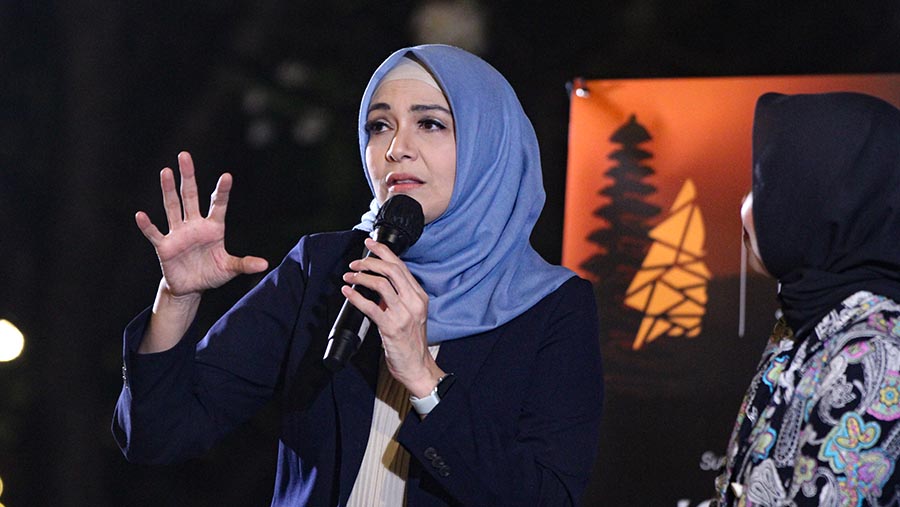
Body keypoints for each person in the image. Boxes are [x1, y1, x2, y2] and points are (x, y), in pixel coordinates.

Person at [113, 44, 604, 506]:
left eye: (430, 124)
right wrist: (176, 301)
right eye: (378, 126)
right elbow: (158, 436)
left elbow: (547, 496)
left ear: (489, 145)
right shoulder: (322, 268)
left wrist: (424, 380)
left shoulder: (552, 307)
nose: (395, 149)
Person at [716, 92, 900, 505]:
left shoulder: (875, 354)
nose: (746, 207)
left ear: (823, 197)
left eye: (763, 184)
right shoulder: (809, 326)